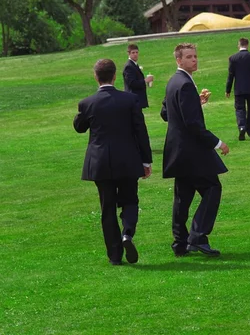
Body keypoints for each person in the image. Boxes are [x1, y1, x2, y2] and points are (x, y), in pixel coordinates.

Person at [74, 59, 152, 265]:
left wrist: (81, 112)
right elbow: (140, 131)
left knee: (107, 208)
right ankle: (127, 233)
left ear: (96, 77)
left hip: (101, 162)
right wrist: (146, 161)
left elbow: (79, 127)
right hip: (127, 159)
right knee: (130, 200)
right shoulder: (130, 100)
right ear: (115, 76)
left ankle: (115, 256)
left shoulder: (88, 103)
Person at [161, 43, 230, 257]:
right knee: (212, 188)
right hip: (191, 151)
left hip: (177, 151)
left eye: (195, 56)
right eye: (189, 57)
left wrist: (195, 103)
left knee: (183, 197)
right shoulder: (185, 84)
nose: (194, 60)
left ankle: (180, 243)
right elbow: (192, 125)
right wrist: (218, 143)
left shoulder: (173, 82)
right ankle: (198, 237)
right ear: (178, 60)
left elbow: (167, 113)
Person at [123, 44, 153, 108]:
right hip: (133, 99)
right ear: (129, 53)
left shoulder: (134, 65)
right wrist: (145, 80)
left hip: (137, 99)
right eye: (133, 52)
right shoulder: (129, 66)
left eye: (137, 52)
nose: (135, 54)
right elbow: (132, 83)